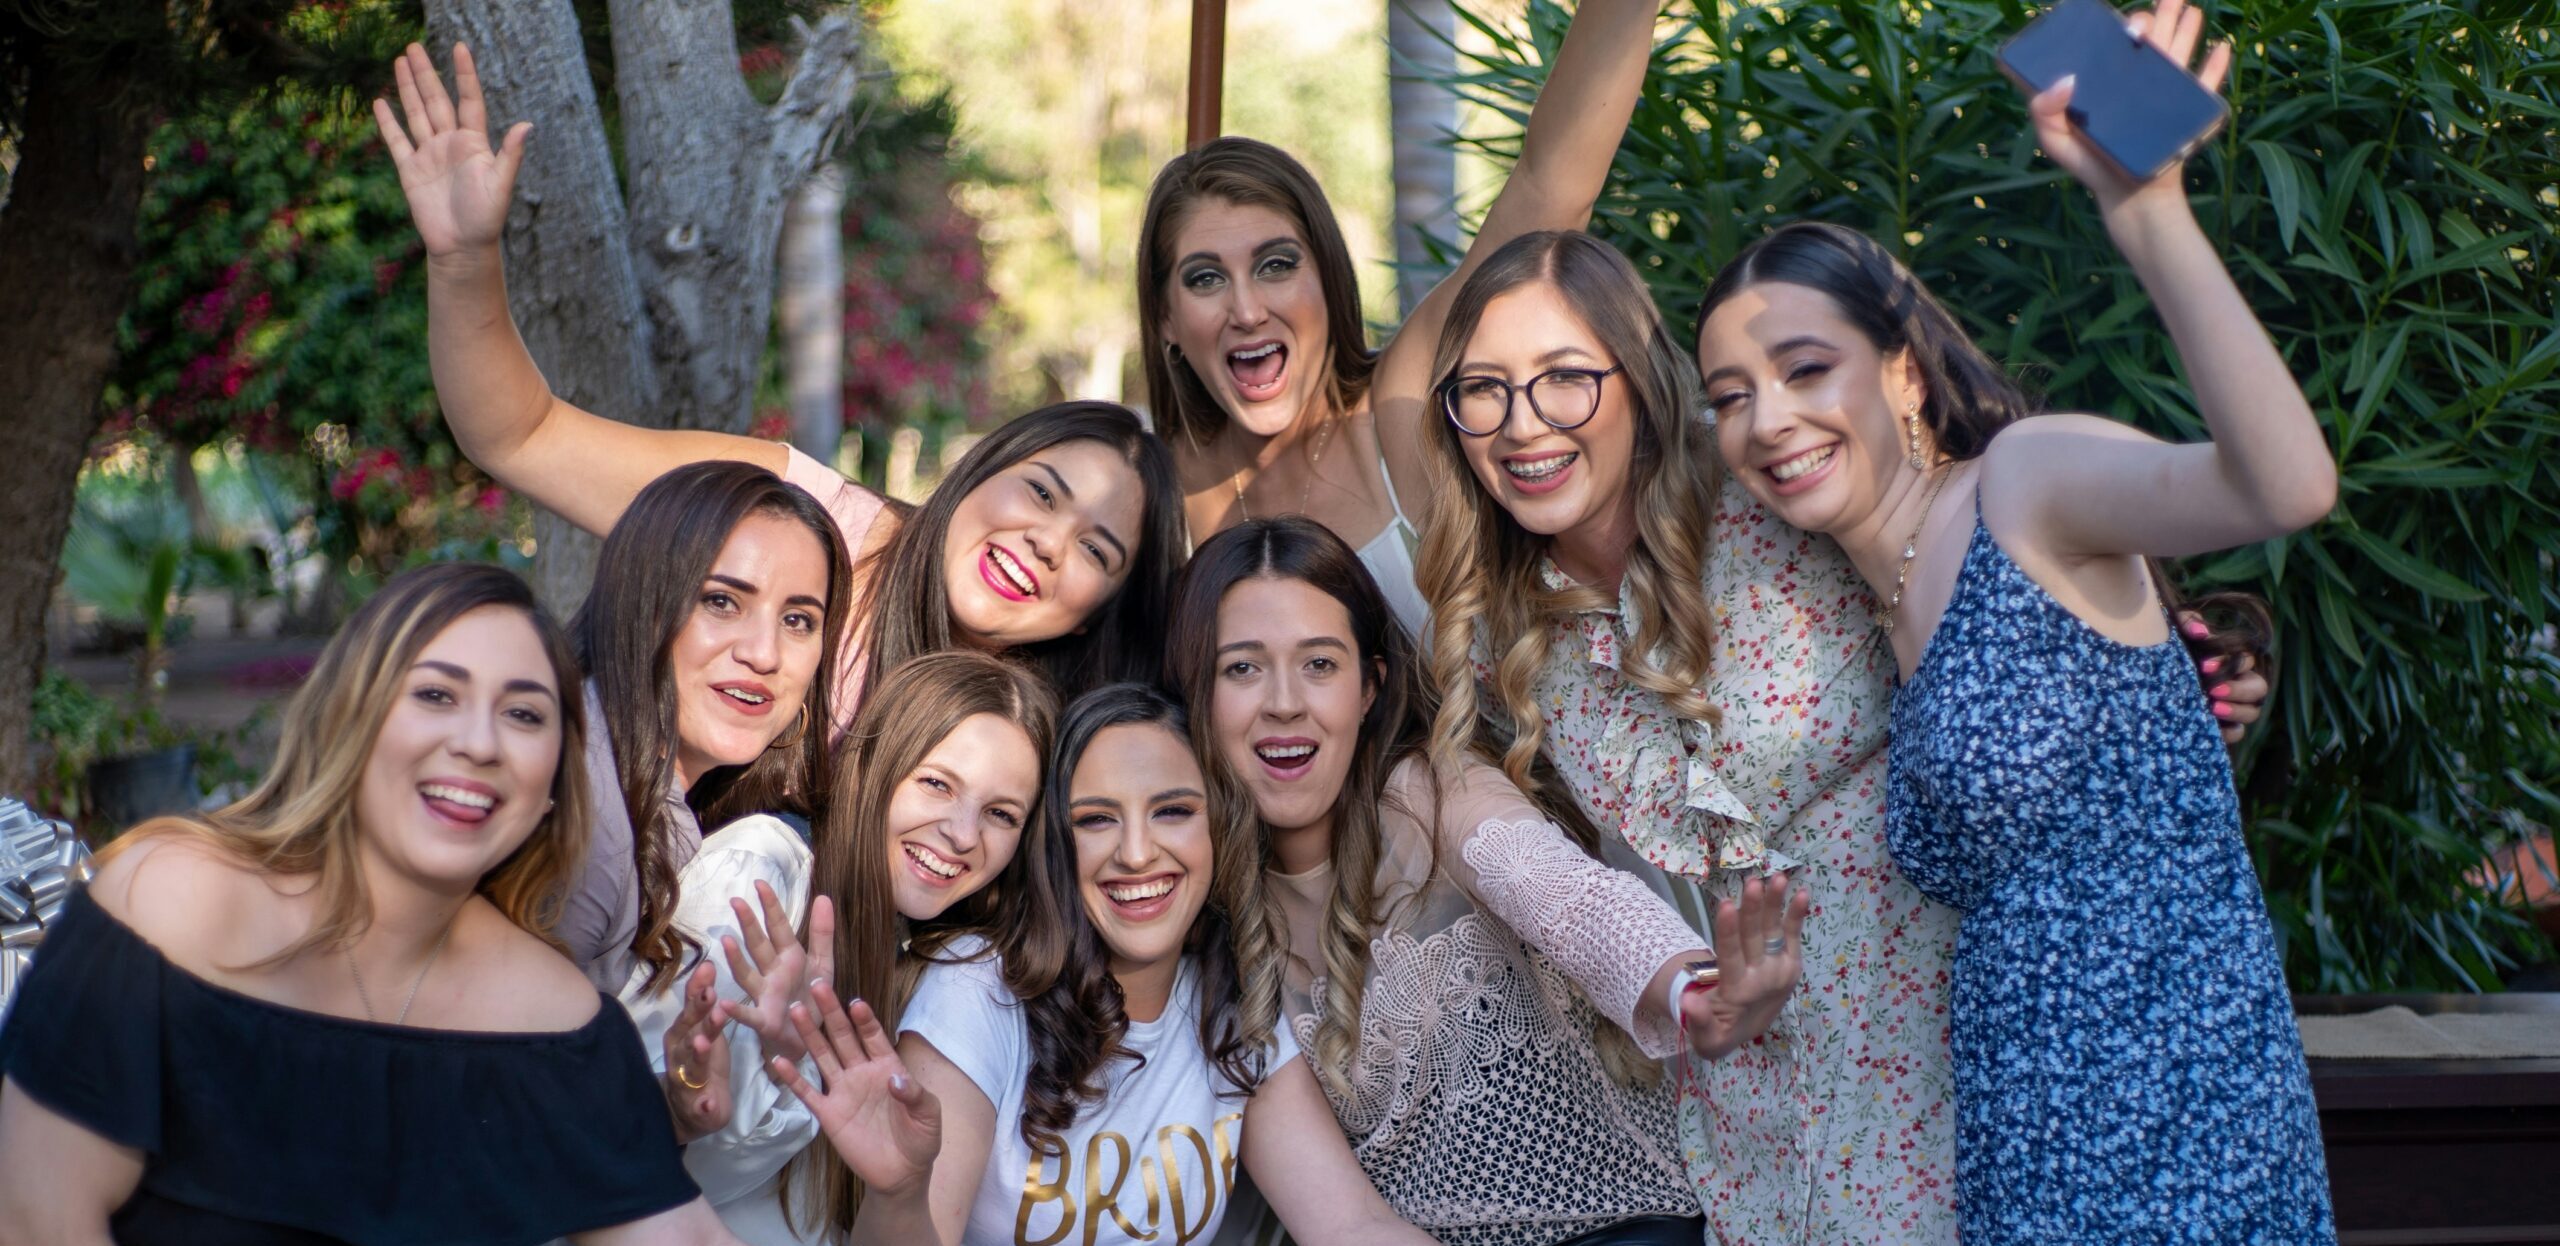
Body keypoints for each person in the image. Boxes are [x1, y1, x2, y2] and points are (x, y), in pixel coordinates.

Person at [1414, 231, 2272, 1240]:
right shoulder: (1502, 638)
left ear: (1639, 379)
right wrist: (1692, 991)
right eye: (1482, 389)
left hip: (1979, 1082)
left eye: (1564, 379)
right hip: (1766, 1128)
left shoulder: (1779, 495)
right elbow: (1540, 865)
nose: (1523, 424)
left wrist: (2177, 653)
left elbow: (2002, 587)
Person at [1692, 3, 2335, 1238]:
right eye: (1731, 395)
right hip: (2012, 1133)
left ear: (1900, 369)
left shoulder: (2025, 486)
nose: (1766, 419)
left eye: (1803, 367)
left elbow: (2286, 486)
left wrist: (2147, 215)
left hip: (2180, 1120)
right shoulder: (1856, 600)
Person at [375, 44, 1184, 709]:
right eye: (1043, 492)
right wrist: (464, 259)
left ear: (1094, 616)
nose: (1047, 542)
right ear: (981, 470)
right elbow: (521, 435)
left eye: (1097, 550)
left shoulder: (1025, 742)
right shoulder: (790, 515)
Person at [0, 563, 751, 1245]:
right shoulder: (172, 906)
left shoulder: (558, 1021)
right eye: (434, 694)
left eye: (524, 714)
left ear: (555, 781)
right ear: (348, 721)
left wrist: (876, 1199)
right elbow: (36, 1218)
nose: (479, 743)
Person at [1166, 517, 1810, 1246]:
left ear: (1370, 687)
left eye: (1319, 664)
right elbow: (1345, 1222)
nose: (1284, 701)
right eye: (1242, 668)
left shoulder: (1428, 791)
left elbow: (1562, 892)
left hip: (1632, 1226)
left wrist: (1686, 986)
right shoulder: (1201, 917)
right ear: (1196, 689)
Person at [770, 684, 1443, 1246]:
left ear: (1219, 827)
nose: (1138, 853)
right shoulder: (977, 989)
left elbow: (1354, 1224)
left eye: (1173, 811)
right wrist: (899, 1195)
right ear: (1054, 847)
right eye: (1096, 820)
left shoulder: (1235, 998)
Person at [1135, 1, 1658, 634]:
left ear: (1328, 280)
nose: (1247, 310)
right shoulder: (1147, 488)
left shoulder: (1400, 411)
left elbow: (1552, 185)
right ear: (1165, 318)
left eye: (1277, 265)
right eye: (1206, 278)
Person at [620, 651, 1058, 1246]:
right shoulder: (763, 877)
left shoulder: (922, 953)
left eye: (1001, 814)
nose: (962, 834)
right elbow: (619, 1166)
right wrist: (777, 1063)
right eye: (935, 784)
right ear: (873, 766)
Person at [562, 461, 848, 1003]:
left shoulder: (650, 791)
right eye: (721, 601)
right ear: (643, 603)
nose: (764, 655)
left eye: (798, 621)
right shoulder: (586, 798)